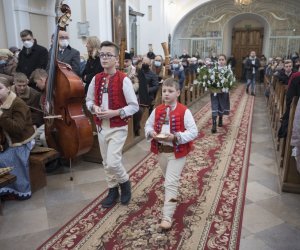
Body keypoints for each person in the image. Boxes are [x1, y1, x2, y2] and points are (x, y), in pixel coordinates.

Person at [86, 41, 139, 208]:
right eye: (102, 55)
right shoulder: (96, 78)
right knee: (105, 161)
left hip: (118, 127)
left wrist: (114, 113)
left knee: (113, 162)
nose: (104, 58)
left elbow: (134, 106)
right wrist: (94, 107)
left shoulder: (124, 80)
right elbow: (88, 100)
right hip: (102, 126)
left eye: (109, 55)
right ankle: (112, 190)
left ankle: (125, 182)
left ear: (116, 59)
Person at [144, 77, 198, 229]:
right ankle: (172, 197)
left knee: (170, 183)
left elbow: (194, 132)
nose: (166, 94)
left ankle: (167, 217)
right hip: (161, 152)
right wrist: (152, 133)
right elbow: (147, 125)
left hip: (177, 153)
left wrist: (176, 137)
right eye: (164, 91)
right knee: (167, 178)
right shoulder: (157, 110)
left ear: (178, 93)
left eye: (170, 91)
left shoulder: (184, 111)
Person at [0, 77, 36, 200]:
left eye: (0, 88)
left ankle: (19, 190)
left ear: (8, 89)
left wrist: (1, 115)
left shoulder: (17, 103)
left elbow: (18, 129)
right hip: (6, 140)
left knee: (5, 160)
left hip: (21, 141)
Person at [210, 54, 231, 133]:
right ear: (217, 61)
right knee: (214, 106)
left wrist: (227, 86)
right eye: (219, 60)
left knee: (221, 106)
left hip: (223, 92)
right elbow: (209, 80)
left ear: (225, 61)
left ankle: (220, 118)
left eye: (222, 60)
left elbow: (230, 82)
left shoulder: (228, 70)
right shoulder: (214, 70)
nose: (221, 61)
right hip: (215, 92)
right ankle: (214, 124)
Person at [29, 68, 48, 147]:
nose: (36, 85)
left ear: (41, 79)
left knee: (43, 138)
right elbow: (40, 113)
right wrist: (35, 124)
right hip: (49, 123)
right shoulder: (42, 94)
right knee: (32, 137)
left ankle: (55, 157)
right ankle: (42, 157)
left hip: (59, 123)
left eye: (36, 83)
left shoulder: (55, 89)